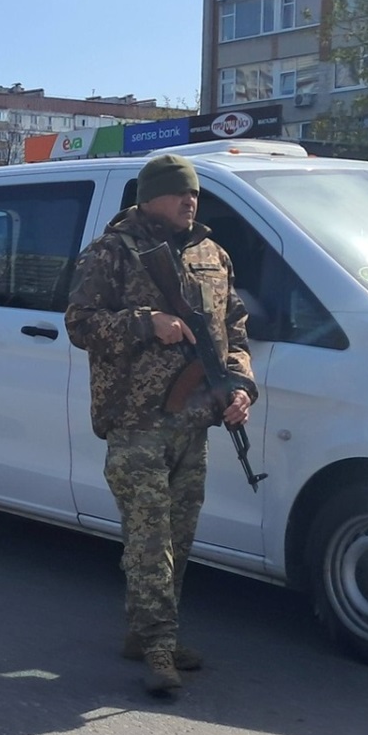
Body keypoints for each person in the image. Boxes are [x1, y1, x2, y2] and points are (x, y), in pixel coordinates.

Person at [64, 153, 257, 697]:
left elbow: (235, 329)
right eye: (177, 192)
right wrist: (147, 323)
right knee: (151, 540)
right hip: (135, 420)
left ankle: (142, 631)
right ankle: (158, 646)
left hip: (193, 420)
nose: (188, 200)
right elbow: (79, 324)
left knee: (179, 535)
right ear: (147, 197)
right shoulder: (111, 253)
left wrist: (240, 387)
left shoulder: (212, 254)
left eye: (192, 192)